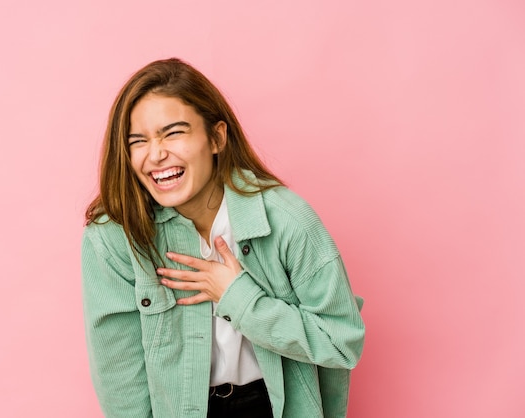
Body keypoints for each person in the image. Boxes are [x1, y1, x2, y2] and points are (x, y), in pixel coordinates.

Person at [82, 58, 365, 418]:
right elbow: (119, 376)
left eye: (173, 133)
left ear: (216, 137)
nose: (156, 154)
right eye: (138, 141)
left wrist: (240, 298)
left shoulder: (287, 220)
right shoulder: (113, 238)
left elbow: (342, 342)